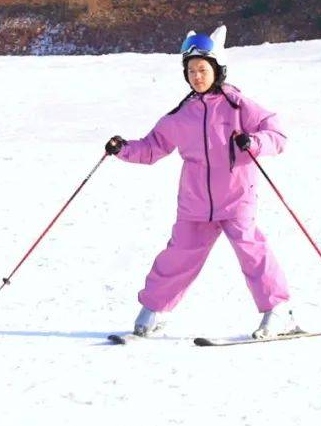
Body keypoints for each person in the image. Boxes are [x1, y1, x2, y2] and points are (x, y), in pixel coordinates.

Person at [105, 25, 297, 339]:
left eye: (203, 69)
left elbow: (277, 135)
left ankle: (278, 312)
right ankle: (154, 311)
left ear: (217, 70)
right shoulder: (182, 115)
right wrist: (122, 148)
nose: (197, 76)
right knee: (177, 256)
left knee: (252, 253)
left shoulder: (238, 106)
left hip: (236, 197)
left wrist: (255, 142)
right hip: (195, 203)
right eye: (191, 70)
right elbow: (152, 147)